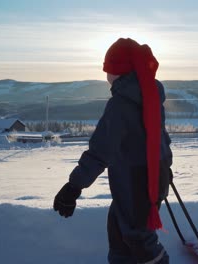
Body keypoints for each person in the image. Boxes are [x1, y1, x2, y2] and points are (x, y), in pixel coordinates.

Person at [53, 38, 173, 264]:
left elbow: (101, 150)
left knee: (139, 238)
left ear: (119, 72)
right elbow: (160, 138)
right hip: (151, 179)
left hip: (134, 184)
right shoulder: (149, 95)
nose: (106, 77)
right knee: (120, 234)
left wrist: (74, 186)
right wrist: (165, 167)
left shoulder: (121, 104)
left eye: (108, 70)